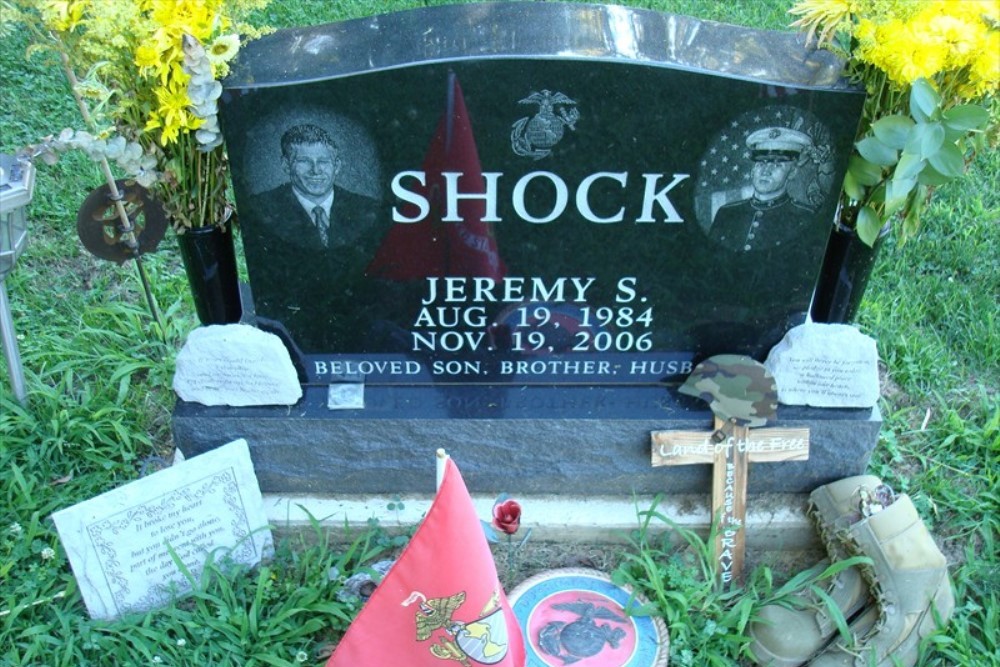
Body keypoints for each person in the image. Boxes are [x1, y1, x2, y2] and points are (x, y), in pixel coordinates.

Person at [241, 123, 383, 352]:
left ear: (337, 166)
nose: (316, 170)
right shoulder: (262, 208)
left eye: (324, 162)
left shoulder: (366, 208)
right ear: (286, 165)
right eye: (304, 161)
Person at [710, 126, 815, 252]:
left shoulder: (804, 217)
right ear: (753, 170)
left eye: (776, 165)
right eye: (761, 163)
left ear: (792, 172)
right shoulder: (727, 213)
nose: (766, 171)